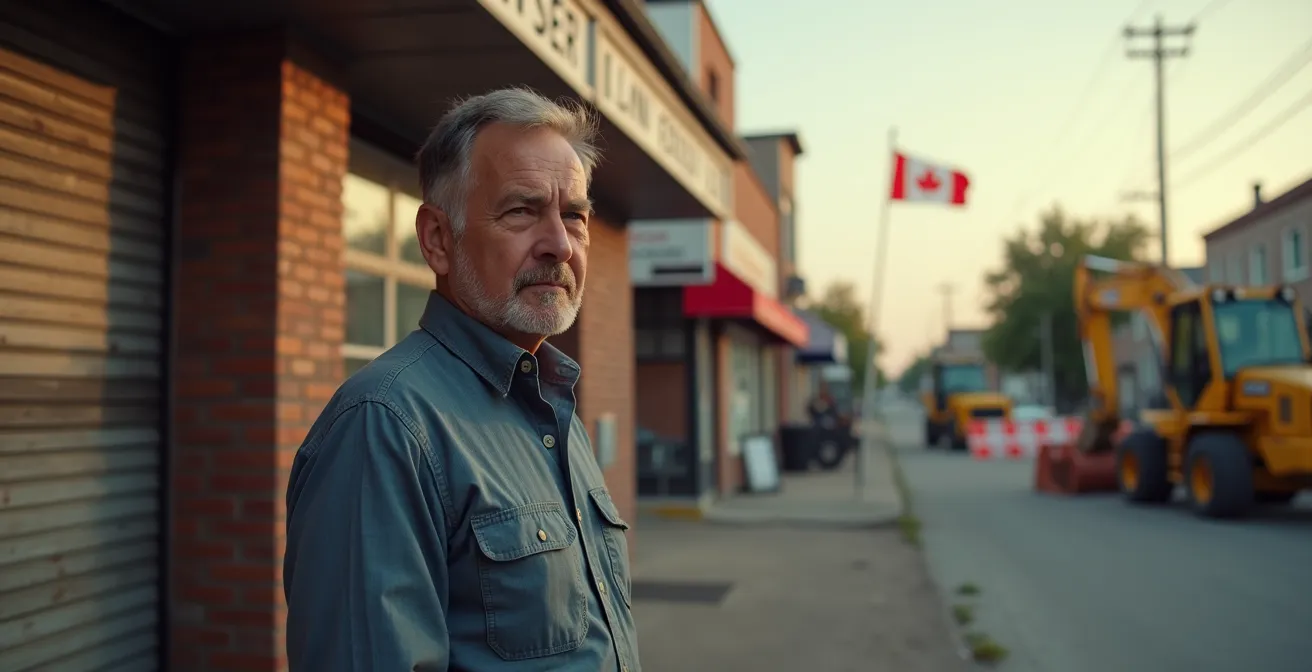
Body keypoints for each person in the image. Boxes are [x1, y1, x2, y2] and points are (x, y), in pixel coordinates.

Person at [283, 87, 640, 671]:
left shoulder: (550, 401)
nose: (558, 244)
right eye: (522, 210)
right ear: (437, 240)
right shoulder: (384, 426)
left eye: (573, 215)